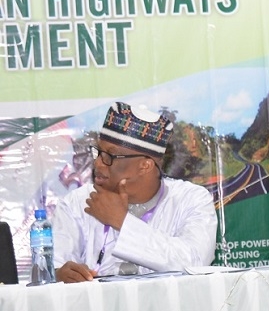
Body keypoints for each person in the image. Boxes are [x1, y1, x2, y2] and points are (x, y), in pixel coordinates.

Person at [53, 102, 218, 282]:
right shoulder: (76, 203)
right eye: (98, 152)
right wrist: (61, 275)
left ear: (145, 165)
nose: (98, 164)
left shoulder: (191, 200)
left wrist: (121, 221)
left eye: (110, 156)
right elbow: (58, 266)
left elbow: (195, 262)